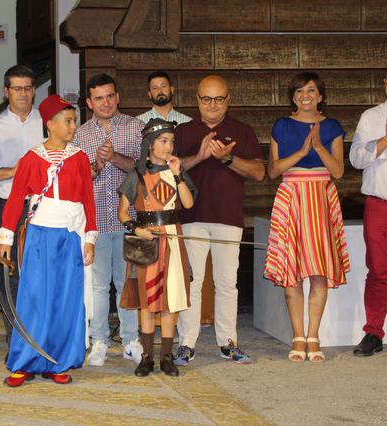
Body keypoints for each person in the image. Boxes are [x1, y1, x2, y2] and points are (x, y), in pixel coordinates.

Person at [0, 94, 97, 387]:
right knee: (34, 297)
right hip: (39, 236)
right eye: (67, 121)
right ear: (49, 124)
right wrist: (6, 236)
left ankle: (58, 360)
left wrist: (90, 237)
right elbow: (15, 199)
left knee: (66, 299)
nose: (73, 126)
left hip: (69, 237)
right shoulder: (31, 158)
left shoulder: (79, 158)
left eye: (74, 120)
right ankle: (26, 361)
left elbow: (88, 201)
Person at [174, 75, 265, 366]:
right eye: (206, 98)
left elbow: (259, 173)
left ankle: (228, 342)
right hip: (191, 216)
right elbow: (170, 169)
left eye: (218, 99)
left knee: (227, 283)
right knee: (192, 282)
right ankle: (186, 343)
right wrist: (200, 156)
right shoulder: (183, 131)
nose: (212, 105)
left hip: (228, 217)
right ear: (196, 99)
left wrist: (228, 159)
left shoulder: (242, 131)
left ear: (228, 99)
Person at [265, 72, 349, 363]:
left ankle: (314, 337)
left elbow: (338, 171)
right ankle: (297, 336)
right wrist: (301, 151)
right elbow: (273, 171)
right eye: (300, 91)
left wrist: (317, 148)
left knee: (318, 269)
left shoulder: (333, 127)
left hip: (321, 197)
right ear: (293, 96)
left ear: (321, 96)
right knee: (291, 271)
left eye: (311, 90)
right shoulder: (282, 125)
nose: (305, 95)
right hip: (291, 196)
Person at [73, 73, 144, 367]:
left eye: (110, 96)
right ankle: (99, 340)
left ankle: (131, 340)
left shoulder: (136, 128)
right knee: (99, 286)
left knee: (127, 282)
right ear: (89, 102)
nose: (106, 102)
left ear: (118, 97)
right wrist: (97, 165)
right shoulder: (79, 135)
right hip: (96, 222)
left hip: (130, 220)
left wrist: (114, 157)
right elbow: (77, 179)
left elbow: (142, 170)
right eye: (99, 98)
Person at [117, 118, 195, 377]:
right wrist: (137, 229)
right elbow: (123, 213)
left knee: (170, 301)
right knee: (147, 301)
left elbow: (188, 203)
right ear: (150, 144)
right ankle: (148, 356)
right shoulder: (136, 175)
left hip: (173, 239)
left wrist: (178, 173)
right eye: (163, 141)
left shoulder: (177, 171)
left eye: (172, 141)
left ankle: (167, 357)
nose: (169, 145)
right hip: (147, 242)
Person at [0, 64, 43, 347]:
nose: (23, 94)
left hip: (43, 207)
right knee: (9, 273)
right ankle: (15, 339)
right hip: (6, 206)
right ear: (6, 92)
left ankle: (40, 337)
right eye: (17, 89)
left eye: (28, 88)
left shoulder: (47, 122)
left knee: (39, 273)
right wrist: (15, 171)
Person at [349, 74, 387, 357]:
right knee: (378, 271)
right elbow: (356, 159)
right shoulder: (371, 117)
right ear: (385, 83)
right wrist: (384, 140)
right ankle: (373, 332)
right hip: (379, 204)